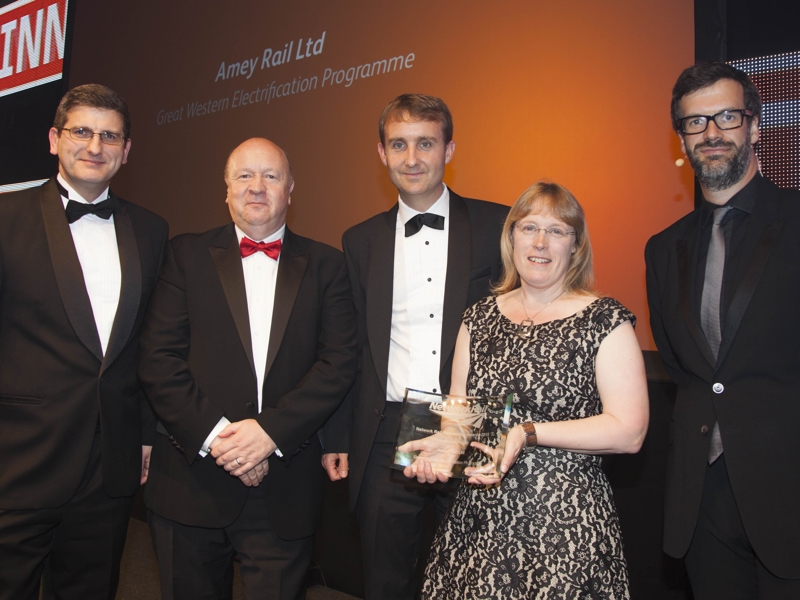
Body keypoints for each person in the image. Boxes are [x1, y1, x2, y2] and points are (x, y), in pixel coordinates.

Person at [137, 137, 357, 600]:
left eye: (271, 176)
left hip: (285, 486)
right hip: (190, 482)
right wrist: (221, 439)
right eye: (244, 176)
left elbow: (337, 364)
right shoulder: (183, 255)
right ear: (226, 189)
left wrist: (268, 434)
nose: (257, 187)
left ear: (291, 190)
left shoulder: (328, 266)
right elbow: (159, 359)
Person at [418, 181, 649, 599]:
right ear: (511, 238)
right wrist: (446, 445)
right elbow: (461, 415)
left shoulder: (604, 320)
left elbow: (629, 432)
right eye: (529, 228)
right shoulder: (478, 317)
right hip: (480, 523)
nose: (541, 242)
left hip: (566, 528)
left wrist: (528, 432)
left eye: (557, 231)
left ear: (575, 246)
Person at [321, 94, 509, 599]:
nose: (411, 158)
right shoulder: (358, 241)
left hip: (470, 423)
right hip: (386, 428)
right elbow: (352, 345)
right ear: (381, 153)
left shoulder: (498, 226)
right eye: (398, 145)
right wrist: (337, 434)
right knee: (385, 578)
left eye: (425, 143)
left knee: (473, 579)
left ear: (449, 148)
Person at [0, 84, 169, 600]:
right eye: (81, 132)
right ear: (54, 139)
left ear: (126, 150)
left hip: (107, 466)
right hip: (17, 459)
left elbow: (148, 344)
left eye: (109, 136)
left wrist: (143, 433)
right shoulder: (5, 216)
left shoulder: (151, 229)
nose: (95, 146)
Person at [646, 62, 800, 598]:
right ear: (682, 140)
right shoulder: (663, 248)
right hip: (701, 501)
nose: (711, 133)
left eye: (726, 117)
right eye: (695, 123)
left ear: (755, 127)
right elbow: (683, 364)